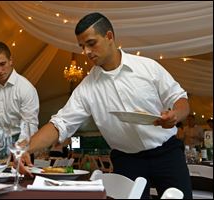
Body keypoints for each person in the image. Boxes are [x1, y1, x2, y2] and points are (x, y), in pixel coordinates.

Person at [23, 12, 191, 198]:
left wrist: (175, 114)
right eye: (82, 46)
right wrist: (24, 148)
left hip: (167, 153)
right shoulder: (86, 88)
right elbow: (60, 124)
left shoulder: (148, 67)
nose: (86, 52)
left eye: (91, 43)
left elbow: (180, 99)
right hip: (127, 160)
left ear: (109, 36)